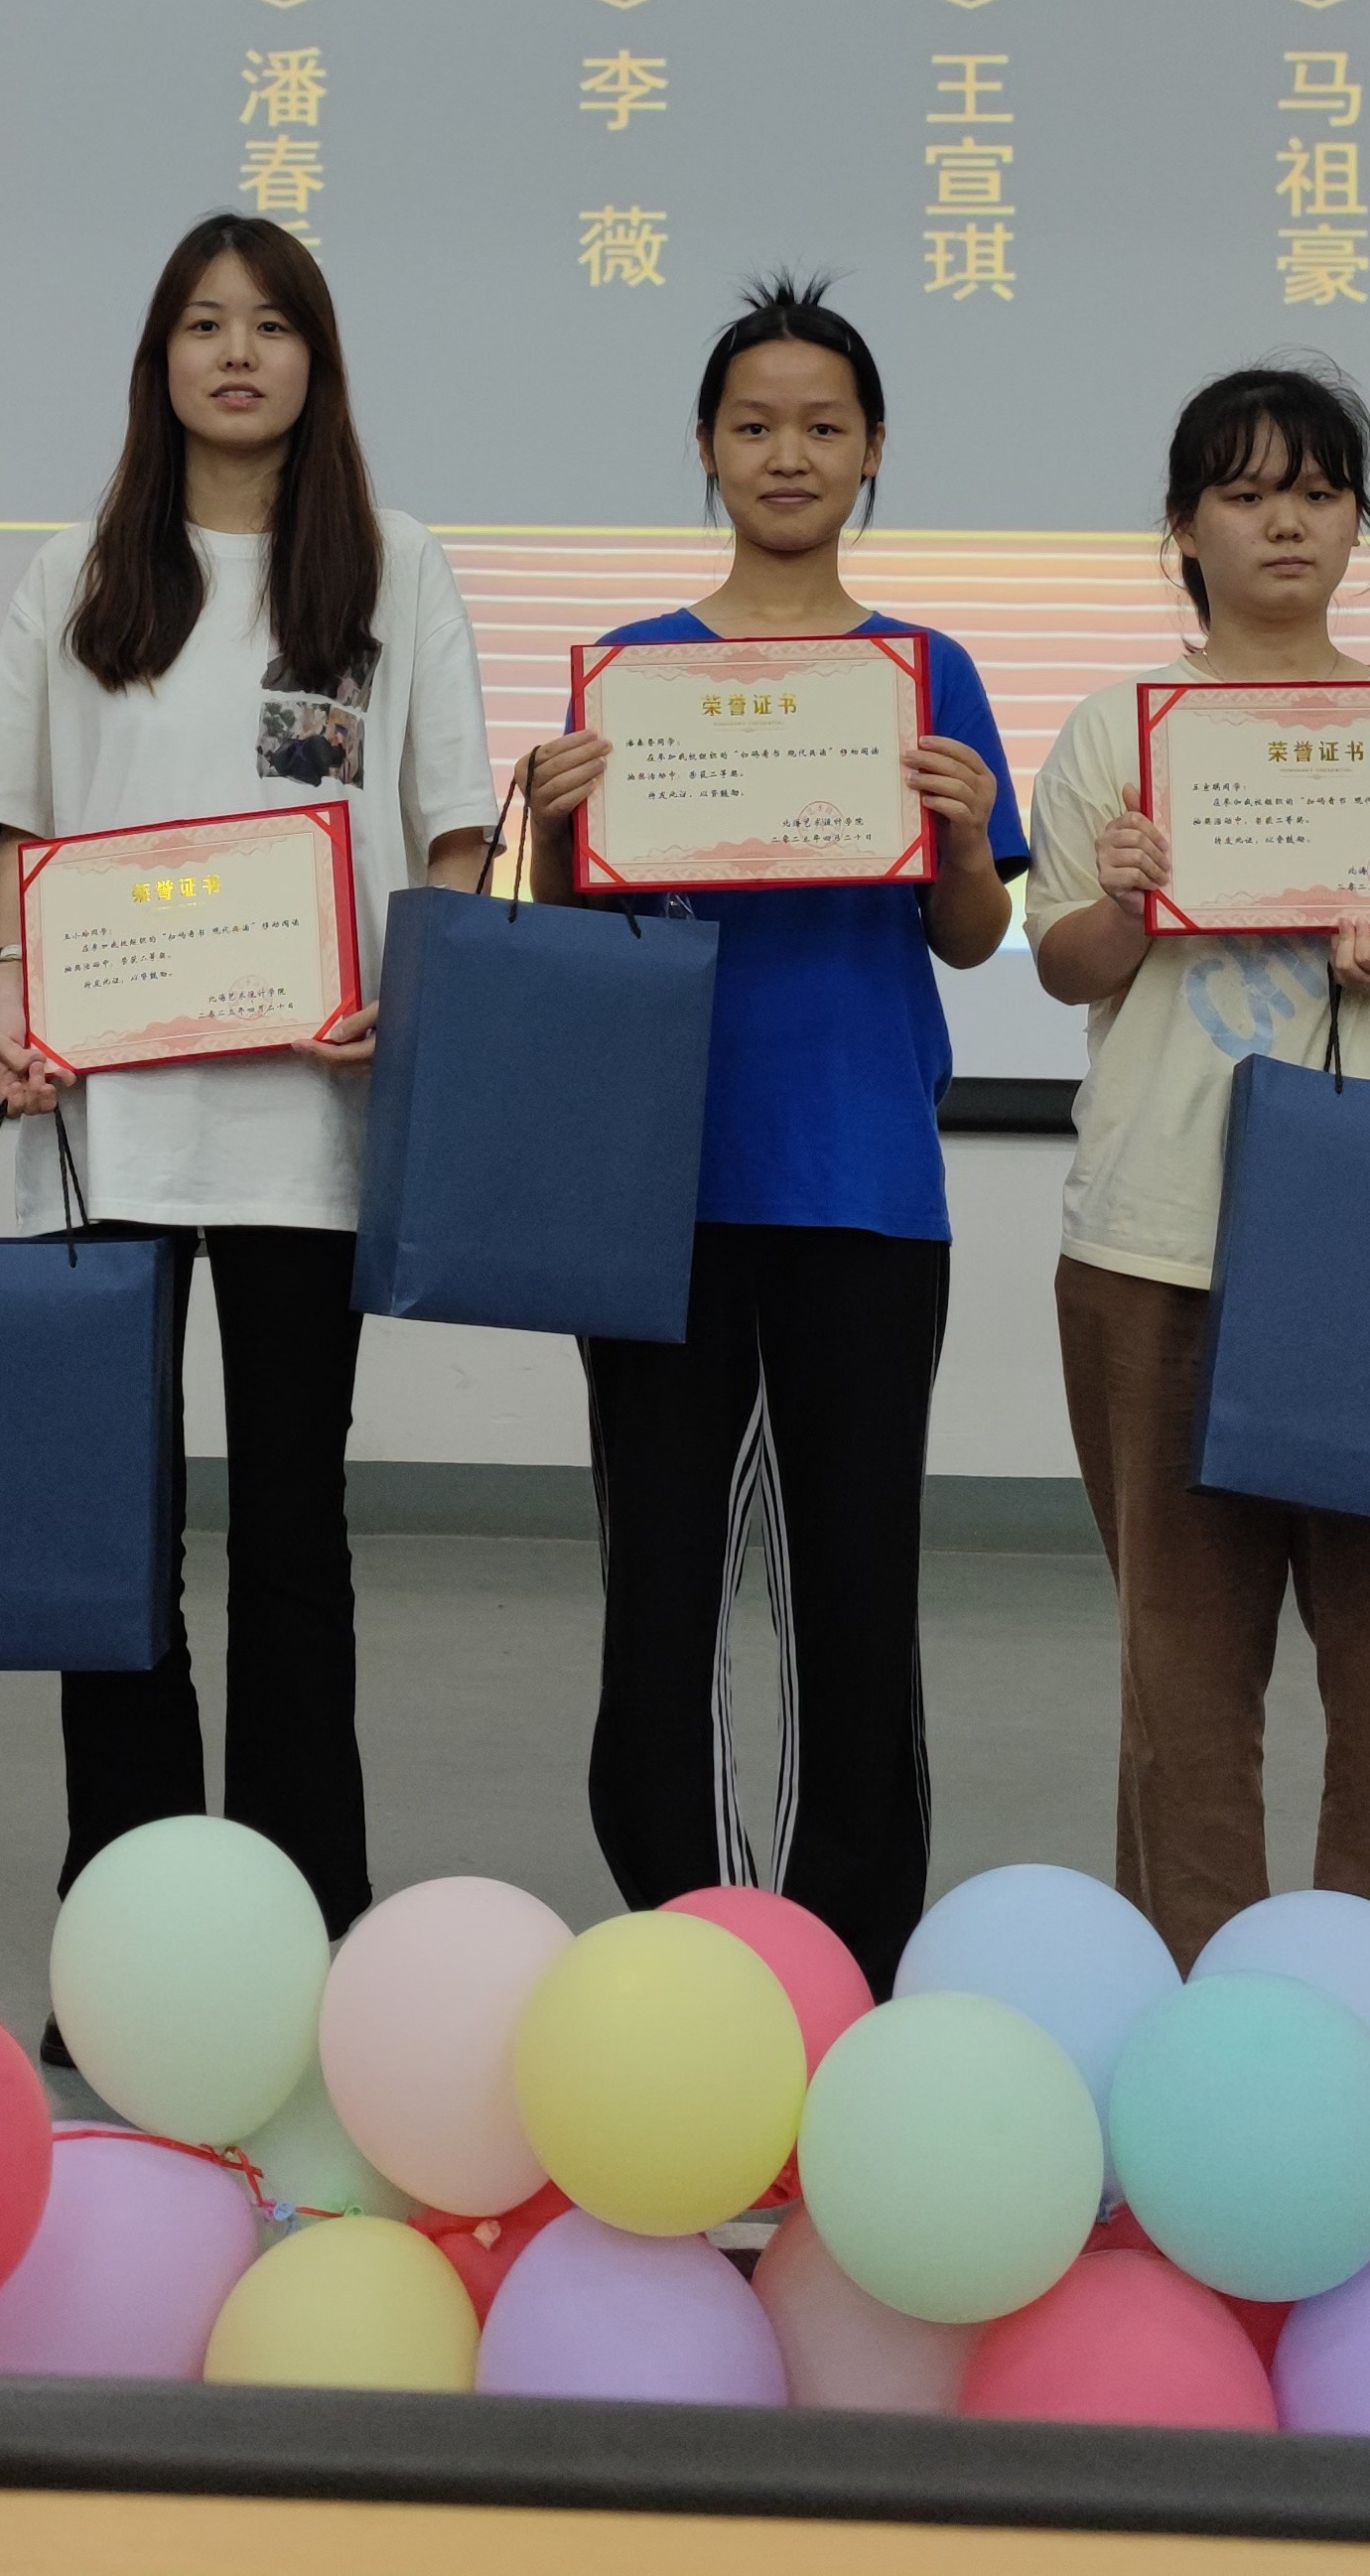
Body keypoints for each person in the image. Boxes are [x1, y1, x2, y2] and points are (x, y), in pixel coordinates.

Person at [0, 211, 495, 1930]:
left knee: (291, 1533)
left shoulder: (393, 567)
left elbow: (452, 828)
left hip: (307, 1124)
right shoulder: (77, 571)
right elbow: (18, 828)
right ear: (161, 360)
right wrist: (14, 997)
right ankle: (134, 1915)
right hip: (102, 1121)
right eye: (204, 323)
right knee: (109, 1537)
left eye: (271, 324)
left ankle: (300, 1910)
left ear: (316, 361)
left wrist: (416, 1001)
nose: (237, 352)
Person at [514, 276, 1019, 2000]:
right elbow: (572, 942)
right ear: (706, 450)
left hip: (863, 1188)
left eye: (822, 425)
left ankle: (844, 1956)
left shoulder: (928, 674)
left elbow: (969, 939)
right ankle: (680, 1943)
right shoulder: (635, 678)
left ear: (873, 452)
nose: (787, 454)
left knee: (853, 1594)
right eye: (753, 425)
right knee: (659, 1587)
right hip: (654, 1198)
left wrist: (964, 838)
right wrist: (559, 835)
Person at [1022, 362, 1370, 1966]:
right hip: (1159, 1240)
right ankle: (1193, 2007)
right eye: (1245, 494)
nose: (1286, 523)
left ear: (1356, 520)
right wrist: (1129, 901)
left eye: (1318, 491)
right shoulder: (1121, 730)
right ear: (1184, 527)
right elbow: (1063, 961)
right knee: (1180, 1677)